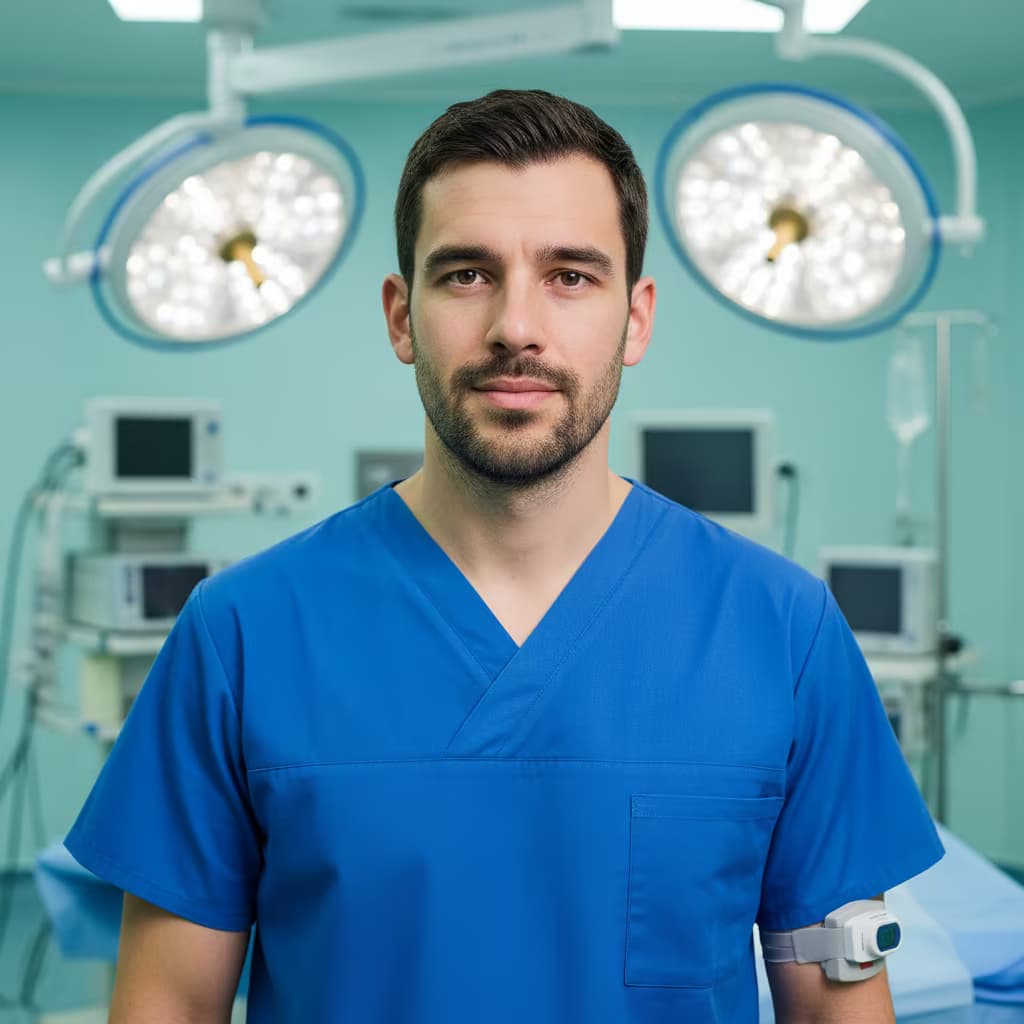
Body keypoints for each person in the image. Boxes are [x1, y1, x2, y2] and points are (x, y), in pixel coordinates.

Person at [67, 89, 943, 1023]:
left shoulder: (782, 634)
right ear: (401, 317)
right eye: (467, 274)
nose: (516, 326)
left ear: (636, 318)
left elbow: (837, 1007)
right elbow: (167, 1008)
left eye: (570, 276)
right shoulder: (241, 637)